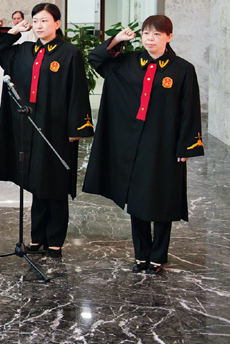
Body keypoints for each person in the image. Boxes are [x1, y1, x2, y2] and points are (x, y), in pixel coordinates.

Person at [82, 16, 204, 274]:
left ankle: (158, 256)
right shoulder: (127, 61)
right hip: (132, 142)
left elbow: (189, 109)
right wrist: (117, 39)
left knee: (161, 198)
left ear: (169, 37)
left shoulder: (182, 69)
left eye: (157, 34)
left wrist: (186, 146)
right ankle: (141, 255)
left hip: (163, 143)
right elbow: (95, 58)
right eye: (146, 33)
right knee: (137, 199)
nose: (150, 38)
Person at [0, 3, 92, 258]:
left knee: (55, 183)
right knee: (36, 182)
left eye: (45, 20)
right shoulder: (23, 50)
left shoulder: (70, 53)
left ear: (57, 23)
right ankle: (37, 238)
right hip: (29, 127)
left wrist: (76, 127)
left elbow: (78, 91)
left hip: (57, 128)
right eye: (35, 21)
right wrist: (15, 31)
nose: (39, 25)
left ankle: (55, 240)